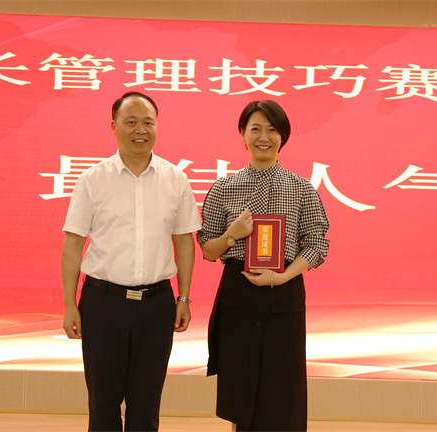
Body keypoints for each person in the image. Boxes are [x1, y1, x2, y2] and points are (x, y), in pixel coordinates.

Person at [61, 91, 201, 431]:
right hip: (102, 303)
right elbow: (73, 244)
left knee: (146, 405)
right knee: (103, 404)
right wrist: (69, 305)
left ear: (157, 127)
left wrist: (183, 297)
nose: (141, 130)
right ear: (114, 127)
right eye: (131, 122)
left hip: (157, 304)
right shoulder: (92, 179)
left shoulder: (175, 179)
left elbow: (184, 241)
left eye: (148, 122)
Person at [197, 100, 330, 431]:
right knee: (239, 391)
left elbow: (317, 243)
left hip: (282, 293)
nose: (263, 137)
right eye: (255, 129)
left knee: (282, 389)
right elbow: (208, 250)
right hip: (238, 295)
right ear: (243, 134)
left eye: (272, 130)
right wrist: (232, 235)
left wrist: (282, 276)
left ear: (283, 137)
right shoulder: (223, 188)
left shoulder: (301, 188)